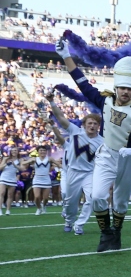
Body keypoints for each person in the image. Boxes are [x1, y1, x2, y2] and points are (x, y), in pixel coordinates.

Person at [56, 39, 131, 252]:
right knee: (96, 196)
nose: (125, 92)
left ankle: (117, 234)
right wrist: (66, 55)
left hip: (129, 158)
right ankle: (106, 235)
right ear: (116, 87)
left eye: (129, 89)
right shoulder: (105, 101)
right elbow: (82, 83)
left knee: (121, 202)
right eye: (122, 88)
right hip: (106, 155)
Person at [48, 96, 102, 235]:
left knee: (92, 198)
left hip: (89, 173)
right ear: (84, 124)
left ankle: (79, 224)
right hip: (73, 172)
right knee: (71, 203)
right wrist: (52, 101)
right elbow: (60, 117)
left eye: (95, 124)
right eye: (90, 123)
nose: (92, 126)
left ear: (98, 126)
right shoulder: (75, 131)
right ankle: (69, 220)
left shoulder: (102, 141)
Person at [29, 145, 60, 215]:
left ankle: (44, 206)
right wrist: (27, 162)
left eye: (44, 150)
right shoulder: (34, 159)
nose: (42, 152)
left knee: (45, 198)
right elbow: (23, 164)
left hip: (46, 179)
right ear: (38, 151)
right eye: (41, 150)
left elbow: (59, 164)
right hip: (37, 178)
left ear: (46, 152)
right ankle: (38, 208)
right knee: (37, 197)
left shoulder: (50, 159)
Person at [1, 149, 20, 215]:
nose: (14, 152)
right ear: (11, 152)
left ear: (18, 152)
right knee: (1, 193)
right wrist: (6, 164)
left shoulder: (20, 160)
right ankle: (0, 209)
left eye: (16, 150)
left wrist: (14, 164)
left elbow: (21, 169)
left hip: (12, 178)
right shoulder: (5, 158)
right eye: (13, 151)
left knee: (10, 195)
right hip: (4, 177)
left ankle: (8, 210)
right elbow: (0, 168)